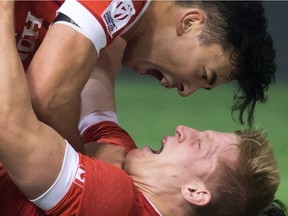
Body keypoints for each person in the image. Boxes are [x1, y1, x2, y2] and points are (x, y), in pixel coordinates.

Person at [0, 6, 281, 215]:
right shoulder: (126, 163)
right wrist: (140, 23)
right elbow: (97, 73)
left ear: (195, 192)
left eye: (199, 143)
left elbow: (21, 116)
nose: (184, 127)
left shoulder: (114, 199)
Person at [13, 0, 276, 148]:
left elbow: (95, 64)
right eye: (204, 75)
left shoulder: (117, 28)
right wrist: (83, 164)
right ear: (191, 23)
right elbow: (49, 96)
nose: (186, 92)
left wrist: (103, 131)